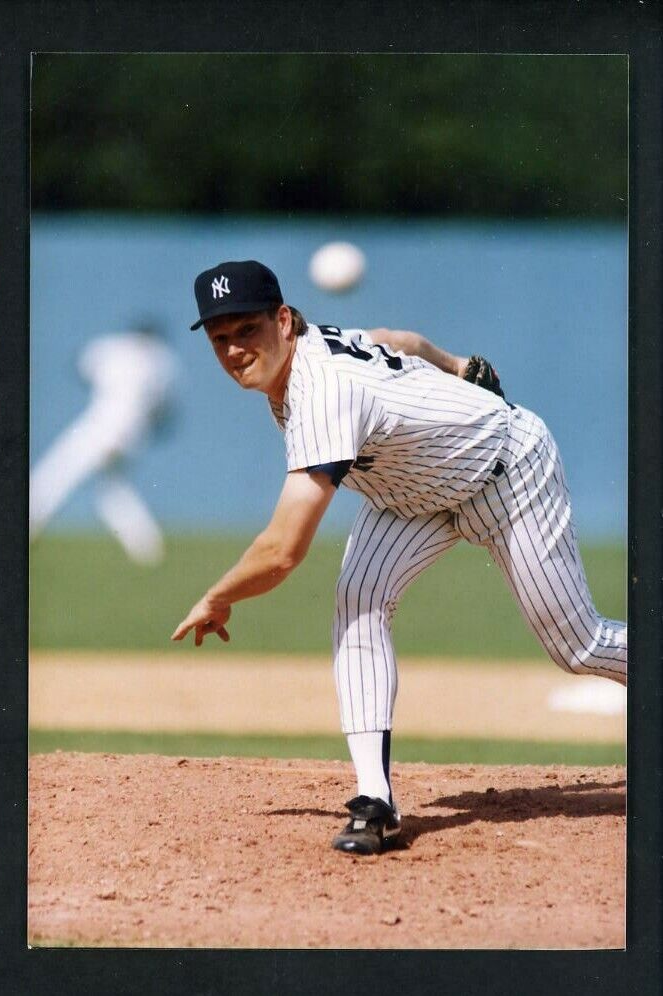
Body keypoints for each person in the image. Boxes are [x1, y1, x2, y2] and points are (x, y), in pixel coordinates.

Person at [170, 260, 626, 855]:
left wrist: (218, 594)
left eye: (246, 331)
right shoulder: (308, 351)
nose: (233, 349)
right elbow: (396, 341)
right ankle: (374, 800)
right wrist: (457, 365)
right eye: (219, 338)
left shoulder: (323, 392)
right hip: (413, 492)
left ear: (283, 321)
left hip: (508, 473)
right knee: (359, 599)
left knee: (579, 645)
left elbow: (283, 549)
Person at [29, 322, 177, 565]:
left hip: (102, 427)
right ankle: (148, 546)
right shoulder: (164, 361)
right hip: (132, 437)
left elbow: (80, 364)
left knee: (56, 472)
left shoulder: (115, 346)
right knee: (112, 491)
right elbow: (165, 409)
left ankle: (27, 523)